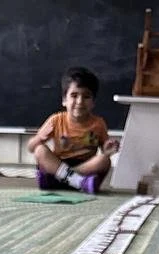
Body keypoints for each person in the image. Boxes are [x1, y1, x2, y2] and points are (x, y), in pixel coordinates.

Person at [28, 66, 119, 195]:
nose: (80, 101)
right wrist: (39, 138)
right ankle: (79, 182)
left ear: (93, 102)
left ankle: (59, 181)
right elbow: (31, 147)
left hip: (85, 165)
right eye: (74, 95)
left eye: (86, 96)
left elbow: (104, 150)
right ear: (64, 100)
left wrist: (108, 149)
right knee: (40, 150)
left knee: (104, 161)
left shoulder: (98, 124)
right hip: (59, 163)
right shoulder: (56, 120)